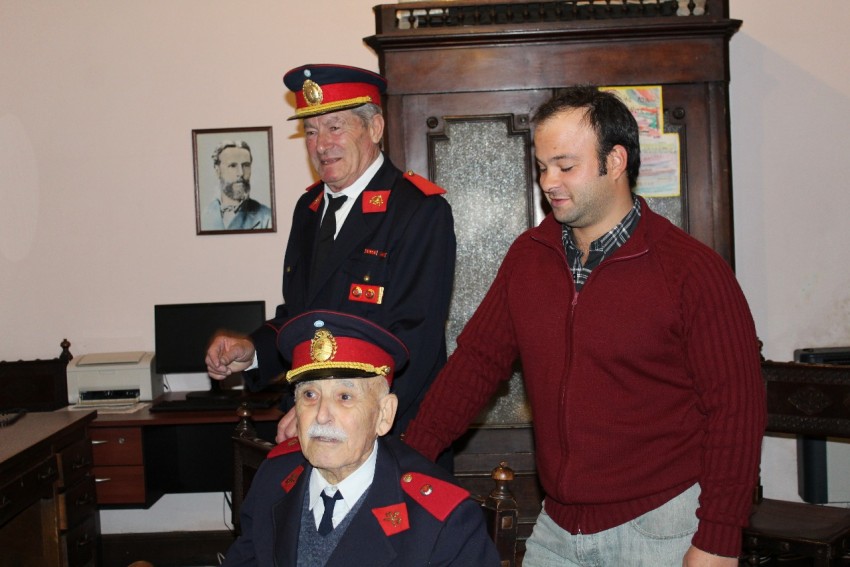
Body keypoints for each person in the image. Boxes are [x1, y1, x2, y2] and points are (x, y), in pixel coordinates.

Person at [403, 86, 766, 566]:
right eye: (542, 166)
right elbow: (476, 364)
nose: (548, 182)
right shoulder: (528, 257)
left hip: (662, 527)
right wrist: (405, 463)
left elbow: (736, 410)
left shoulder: (691, 270)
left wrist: (718, 539)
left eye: (565, 166)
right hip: (557, 526)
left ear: (615, 161)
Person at [205, 64, 456, 454]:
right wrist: (253, 351)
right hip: (313, 429)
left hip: (389, 431)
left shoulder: (418, 210)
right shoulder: (308, 209)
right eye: (310, 131)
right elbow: (301, 317)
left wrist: (326, 409)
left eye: (335, 127)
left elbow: (413, 340)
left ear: (374, 128)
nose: (321, 145)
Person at [222, 310, 499, 567]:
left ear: (384, 415)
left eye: (344, 397)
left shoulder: (441, 520)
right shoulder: (274, 477)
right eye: (310, 395)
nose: (321, 416)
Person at [201, 140, 272, 231]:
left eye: (246, 165)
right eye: (233, 166)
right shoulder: (203, 216)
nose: (241, 173)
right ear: (217, 171)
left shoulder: (267, 217)